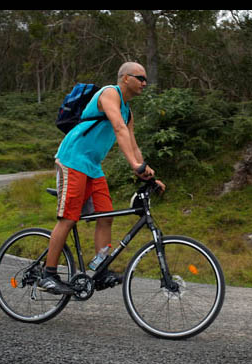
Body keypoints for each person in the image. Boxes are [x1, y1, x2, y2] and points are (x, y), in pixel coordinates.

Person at [38, 62, 165, 294]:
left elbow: (132, 143)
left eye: (146, 79)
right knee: (68, 218)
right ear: (125, 78)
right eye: (140, 78)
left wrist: (148, 174)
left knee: (106, 216)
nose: (145, 83)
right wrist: (135, 165)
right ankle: (48, 274)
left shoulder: (128, 111)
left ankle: (100, 270)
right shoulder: (109, 93)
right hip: (73, 159)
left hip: (93, 167)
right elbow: (118, 128)